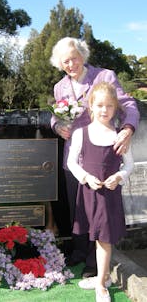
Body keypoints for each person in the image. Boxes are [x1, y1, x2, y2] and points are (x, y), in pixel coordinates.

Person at [50, 37, 139, 278]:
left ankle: (94, 259)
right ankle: (79, 251)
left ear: (83, 55)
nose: (71, 64)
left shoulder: (104, 77)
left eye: (74, 58)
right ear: (60, 64)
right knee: (78, 208)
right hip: (75, 157)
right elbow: (56, 115)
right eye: (65, 61)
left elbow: (128, 104)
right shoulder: (60, 87)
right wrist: (57, 126)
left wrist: (128, 129)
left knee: (100, 211)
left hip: (101, 156)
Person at [67, 82, 134, 302]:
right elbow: (72, 162)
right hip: (88, 193)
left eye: (109, 106)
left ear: (115, 108)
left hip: (109, 195)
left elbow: (129, 165)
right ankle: (102, 277)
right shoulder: (80, 133)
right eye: (100, 105)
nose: (104, 110)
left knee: (104, 239)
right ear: (91, 107)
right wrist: (85, 177)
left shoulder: (119, 135)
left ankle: (101, 286)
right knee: (94, 237)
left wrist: (119, 176)